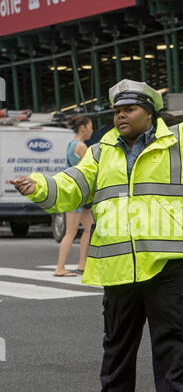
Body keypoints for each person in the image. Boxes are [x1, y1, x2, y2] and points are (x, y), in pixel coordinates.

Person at [10, 75, 183, 392]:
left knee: (175, 334)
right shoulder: (101, 153)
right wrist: (37, 185)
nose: (120, 116)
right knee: (117, 336)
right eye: (117, 111)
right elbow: (71, 185)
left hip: (170, 260)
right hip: (119, 262)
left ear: (149, 114)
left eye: (129, 109)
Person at [54, 115, 94, 277]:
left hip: (76, 194)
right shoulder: (81, 147)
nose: (92, 130)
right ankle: (60, 268)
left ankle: (82, 263)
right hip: (76, 194)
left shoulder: (72, 144)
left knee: (89, 228)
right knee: (70, 232)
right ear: (82, 128)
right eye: (91, 127)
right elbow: (88, 171)